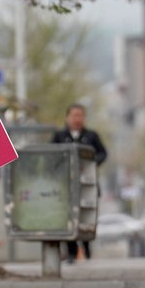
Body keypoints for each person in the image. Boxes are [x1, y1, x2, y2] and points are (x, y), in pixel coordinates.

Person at [51, 104, 107, 262]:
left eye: (80, 115)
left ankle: (87, 247)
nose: (77, 119)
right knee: (67, 217)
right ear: (67, 117)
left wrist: (90, 164)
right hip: (66, 185)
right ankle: (71, 252)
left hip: (87, 184)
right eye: (74, 115)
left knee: (87, 215)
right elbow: (51, 156)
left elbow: (103, 153)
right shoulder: (59, 136)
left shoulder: (92, 136)